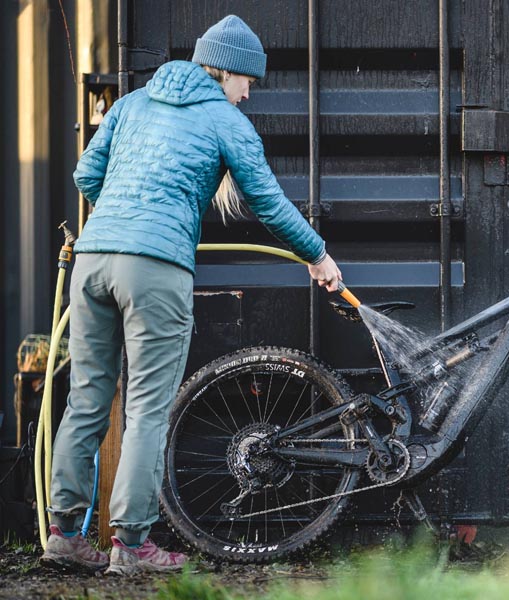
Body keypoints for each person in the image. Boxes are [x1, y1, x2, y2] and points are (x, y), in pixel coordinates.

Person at [41, 15, 342, 575]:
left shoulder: (132, 103)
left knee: (85, 398)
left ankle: (63, 534)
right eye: (247, 80)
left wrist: (127, 209)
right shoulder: (224, 121)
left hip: (93, 259)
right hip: (154, 270)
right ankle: (130, 546)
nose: (249, 92)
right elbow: (270, 205)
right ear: (225, 70)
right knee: (148, 408)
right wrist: (319, 256)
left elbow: (87, 175)